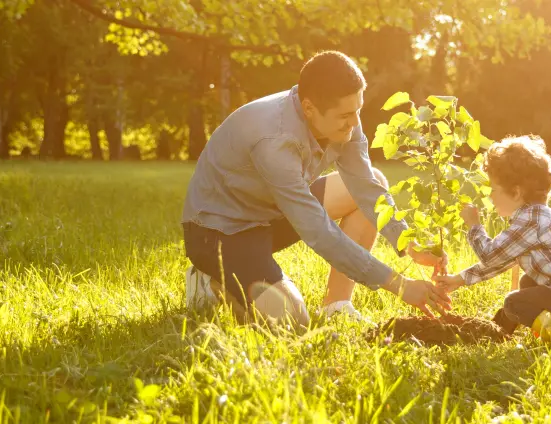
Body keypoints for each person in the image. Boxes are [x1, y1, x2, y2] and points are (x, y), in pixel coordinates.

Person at [180, 51, 449, 327]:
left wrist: (410, 245)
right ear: (309, 108)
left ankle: (337, 305)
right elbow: (318, 231)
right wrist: (401, 285)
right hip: (220, 233)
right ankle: (209, 283)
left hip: (270, 214)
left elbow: (366, 188)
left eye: (358, 110)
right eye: (346, 114)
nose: (355, 123)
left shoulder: (343, 123)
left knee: (376, 180)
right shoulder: (274, 139)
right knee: (292, 321)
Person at [434, 135, 551, 346]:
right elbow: (502, 260)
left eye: (493, 189)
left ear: (517, 192)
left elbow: (490, 256)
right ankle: (500, 332)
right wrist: (459, 279)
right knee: (528, 283)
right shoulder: (536, 217)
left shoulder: (529, 222)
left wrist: (474, 226)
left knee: (514, 302)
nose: (490, 197)